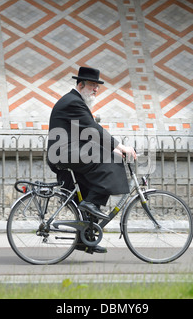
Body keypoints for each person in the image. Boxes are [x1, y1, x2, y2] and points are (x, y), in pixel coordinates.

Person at [47, 66, 136, 253]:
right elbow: (94, 130)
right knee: (113, 162)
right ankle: (92, 203)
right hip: (65, 153)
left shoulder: (76, 102)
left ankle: (85, 239)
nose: (96, 89)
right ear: (80, 85)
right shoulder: (73, 102)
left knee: (90, 187)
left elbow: (88, 134)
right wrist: (120, 148)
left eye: (98, 86)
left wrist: (112, 150)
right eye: (92, 85)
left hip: (70, 152)